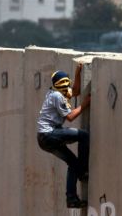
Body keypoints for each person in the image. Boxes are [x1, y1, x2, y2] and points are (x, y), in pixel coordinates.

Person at [37, 65, 91, 208]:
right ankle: (83, 171)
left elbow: (77, 91)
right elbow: (71, 116)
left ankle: (71, 199)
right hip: (49, 134)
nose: (66, 86)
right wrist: (84, 104)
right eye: (64, 83)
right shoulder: (57, 96)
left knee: (72, 163)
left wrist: (78, 73)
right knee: (84, 136)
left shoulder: (55, 92)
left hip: (44, 138)